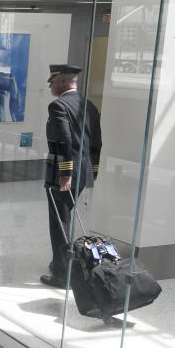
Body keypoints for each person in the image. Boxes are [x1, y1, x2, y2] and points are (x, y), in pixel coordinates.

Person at [41, 63, 102, 288]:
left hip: (63, 172)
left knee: (59, 222)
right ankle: (62, 262)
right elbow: (97, 140)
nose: (51, 86)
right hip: (83, 171)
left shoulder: (58, 106)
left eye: (53, 82)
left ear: (63, 82)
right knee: (65, 217)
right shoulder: (90, 105)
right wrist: (93, 170)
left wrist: (65, 173)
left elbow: (65, 141)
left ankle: (62, 273)